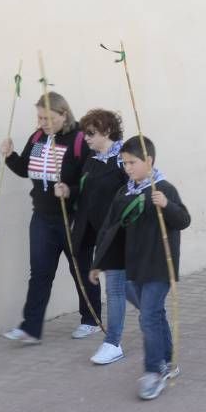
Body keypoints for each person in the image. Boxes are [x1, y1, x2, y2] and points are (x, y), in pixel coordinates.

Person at [91, 136, 191, 400]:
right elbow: (110, 227)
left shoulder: (164, 188)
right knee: (153, 313)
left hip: (160, 265)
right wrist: (98, 262)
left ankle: (153, 372)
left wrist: (166, 206)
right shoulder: (125, 192)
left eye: (132, 162)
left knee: (148, 316)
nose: (127, 168)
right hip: (133, 266)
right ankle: (169, 361)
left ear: (149, 161)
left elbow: (183, 220)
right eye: (124, 163)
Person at [0, 92, 101, 343]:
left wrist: (70, 190)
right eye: (39, 117)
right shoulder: (37, 138)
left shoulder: (79, 139)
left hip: (74, 218)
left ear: (63, 114)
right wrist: (10, 156)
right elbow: (26, 169)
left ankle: (91, 320)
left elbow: (92, 181)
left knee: (81, 269)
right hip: (43, 217)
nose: (43, 122)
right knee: (40, 272)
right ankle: (31, 328)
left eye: (48, 117)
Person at [67, 109, 129, 364]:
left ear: (106, 130)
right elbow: (84, 192)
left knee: (120, 289)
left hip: (116, 233)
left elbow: (138, 189)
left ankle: (113, 342)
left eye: (91, 133)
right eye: (85, 134)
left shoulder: (124, 159)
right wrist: (67, 190)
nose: (87, 139)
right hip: (90, 229)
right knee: (85, 269)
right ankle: (94, 321)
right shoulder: (92, 160)